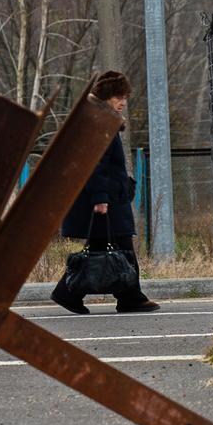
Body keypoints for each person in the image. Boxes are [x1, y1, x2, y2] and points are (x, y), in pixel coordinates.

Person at [50, 71, 160, 315]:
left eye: (125, 97)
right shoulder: (100, 123)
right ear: (106, 97)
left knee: (105, 246)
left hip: (109, 196)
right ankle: (129, 297)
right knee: (121, 247)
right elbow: (94, 164)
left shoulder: (101, 120)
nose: (123, 102)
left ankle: (69, 292)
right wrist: (100, 198)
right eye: (118, 97)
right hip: (104, 198)